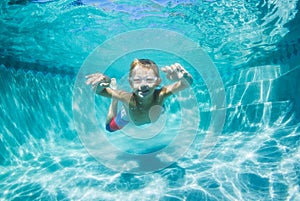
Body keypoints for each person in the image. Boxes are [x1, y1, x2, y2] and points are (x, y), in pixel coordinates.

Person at [85, 58, 193, 132]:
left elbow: (186, 83)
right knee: (109, 128)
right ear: (131, 83)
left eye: (149, 80)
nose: (143, 85)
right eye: (137, 80)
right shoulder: (126, 98)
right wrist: (104, 82)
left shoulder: (161, 95)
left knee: (160, 104)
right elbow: (99, 91)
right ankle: (114, 100)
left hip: (157, 107)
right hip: (129, 114)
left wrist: (184, 77)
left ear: (158, 82)